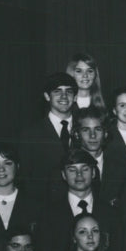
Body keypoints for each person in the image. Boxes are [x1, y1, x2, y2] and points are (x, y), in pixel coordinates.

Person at [34, 149, 122, 251]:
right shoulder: (48, 215)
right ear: (63, 175)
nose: (79, 175)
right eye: (72, 170)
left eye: (85, 169)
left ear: (93, 173)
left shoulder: (111, 214)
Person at [18, 72, 76, 200]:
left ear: (75, 97)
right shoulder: (31, 134)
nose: (64, 96)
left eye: (69, 91)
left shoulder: (86, 129)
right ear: (47, 96)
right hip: (46, 209)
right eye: (57, 91)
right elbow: (26, 180)